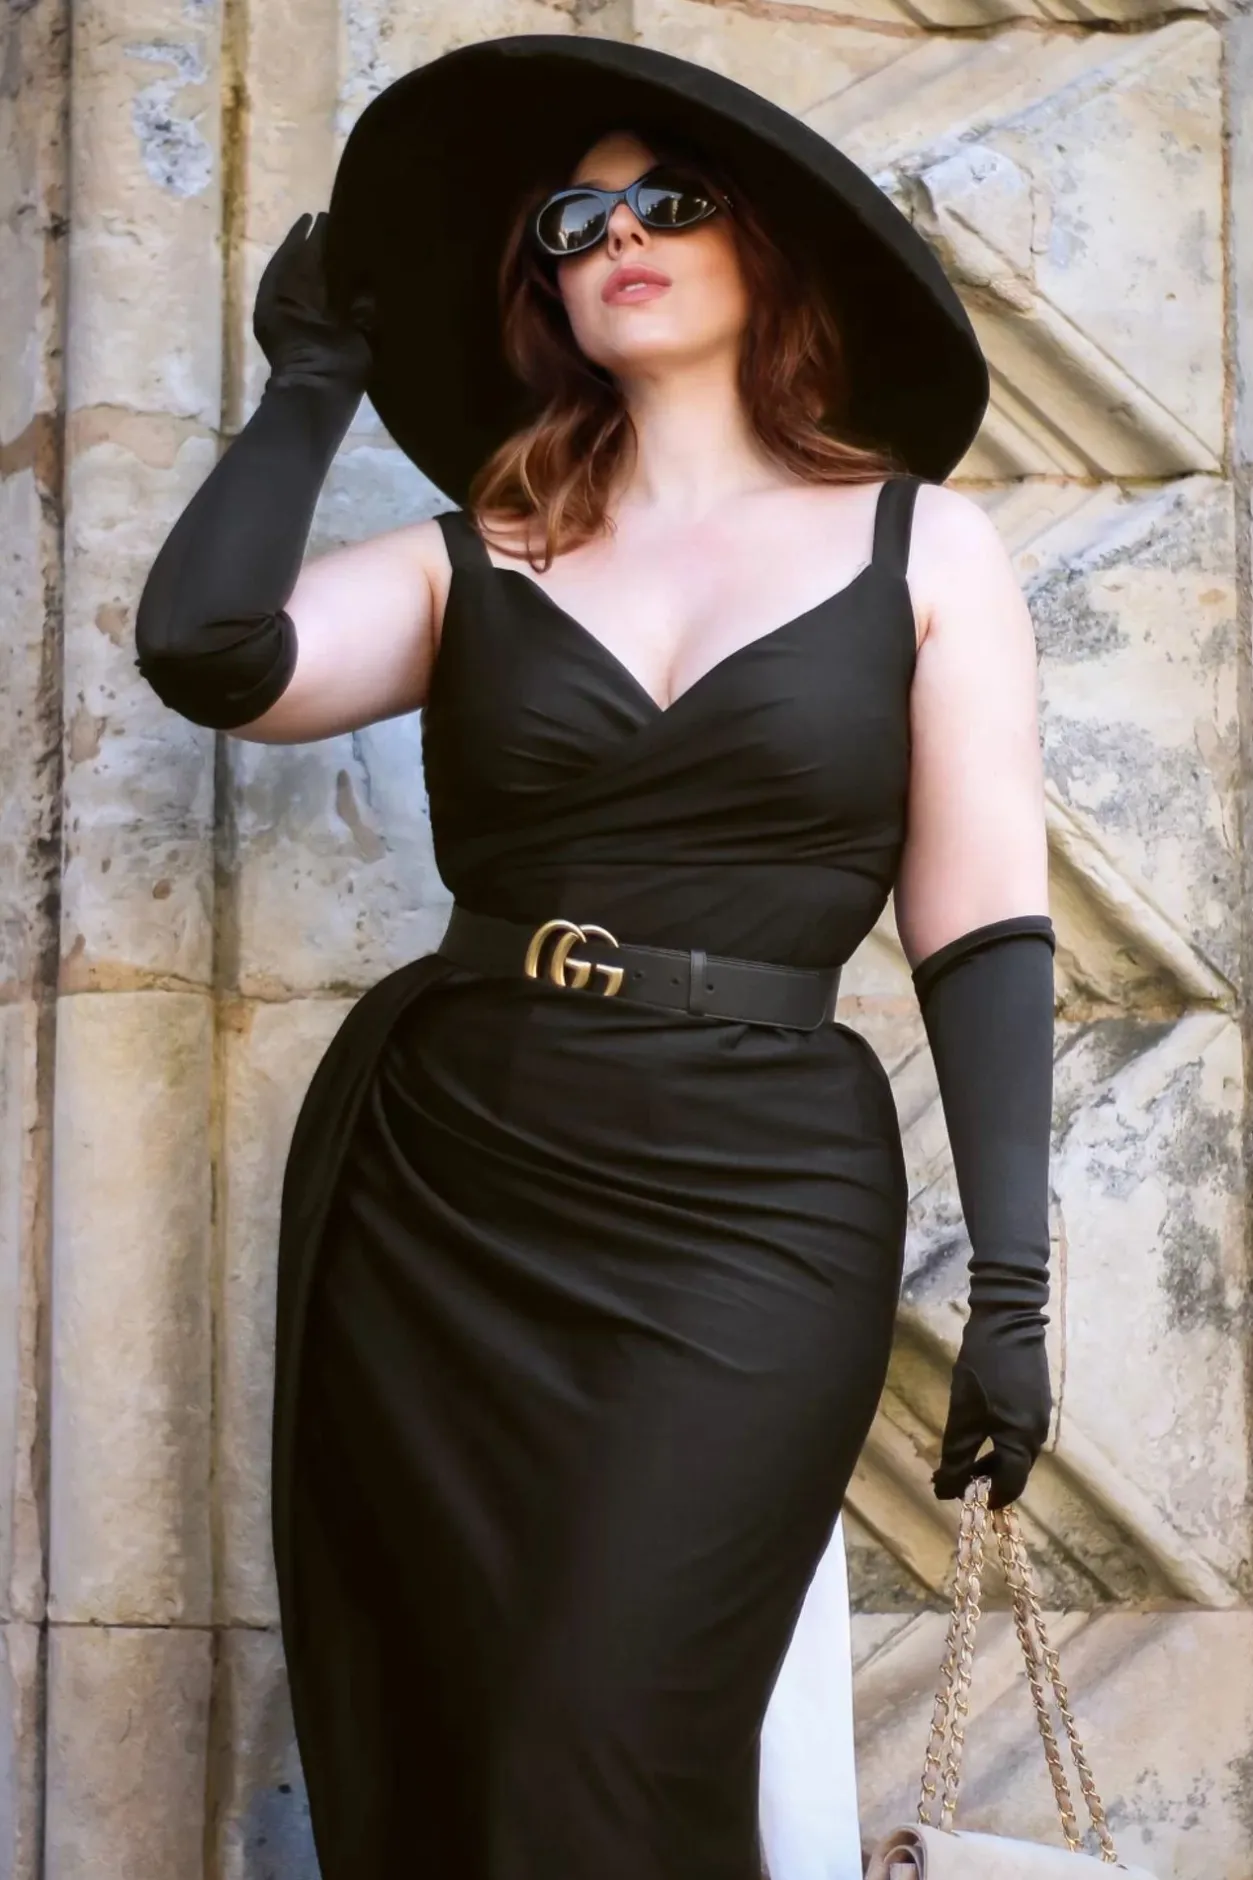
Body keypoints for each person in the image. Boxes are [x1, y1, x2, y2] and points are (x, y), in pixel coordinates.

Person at [132, 34, 1055, 1880]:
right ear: (544, 290)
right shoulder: (474, 556)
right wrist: (310, 386)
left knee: (603, 1722)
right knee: (469, 1737)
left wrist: (1016, 1291)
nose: (616, 233)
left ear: (763, 252)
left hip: (756, 1195)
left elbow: (981, 927)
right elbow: (209, 651)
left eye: (667, 202)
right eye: (575, 220)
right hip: (455, 1183)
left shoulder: (925, 545)